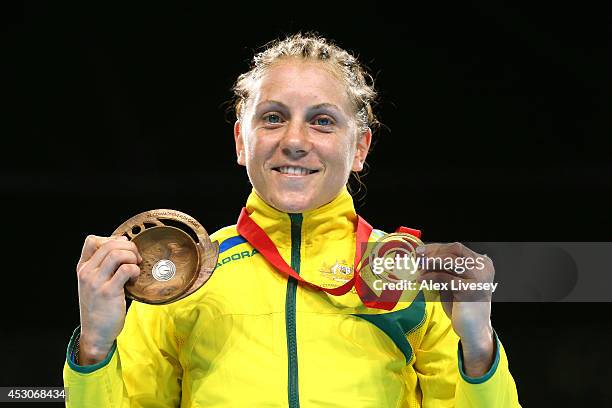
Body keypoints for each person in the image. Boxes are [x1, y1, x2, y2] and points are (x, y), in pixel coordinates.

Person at [63, 33, 521, 407]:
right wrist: (95, 350)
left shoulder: (413, 273)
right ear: (242, 141)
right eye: (274, 117)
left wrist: (478, 347)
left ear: (359, 148)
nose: (295, 141)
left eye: (322, 121)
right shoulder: (183, 278)